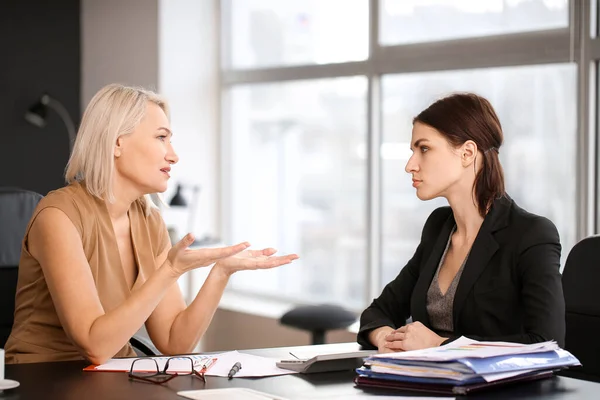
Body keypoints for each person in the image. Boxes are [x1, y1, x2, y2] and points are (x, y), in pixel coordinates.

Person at [5, 84, 299, 364]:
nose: (173, 155)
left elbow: (174, 340)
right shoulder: (58, 216)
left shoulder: (149, 221)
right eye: (161, 137)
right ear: (117, 142)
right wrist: (170, 270)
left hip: (111, 378)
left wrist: (220, 273)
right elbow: (94, 346)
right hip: (41, 379)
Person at [357, 93, 565, 353]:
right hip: (430, 384)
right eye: (413, 151)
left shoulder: (531, 234)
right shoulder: (438, 227)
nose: (410, 165)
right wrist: (387, 339)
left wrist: (440, 345)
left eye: (424, 149)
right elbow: (379, 312)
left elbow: (547, 344)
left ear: (467, 153)